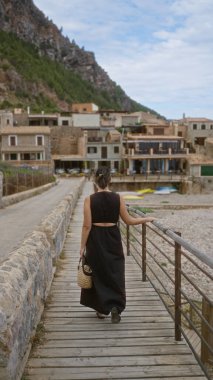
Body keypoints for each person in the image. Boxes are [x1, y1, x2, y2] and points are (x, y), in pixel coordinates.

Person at [80, 166, 156, 323]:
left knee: (99, 272)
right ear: (110, 180)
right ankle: (115, 307)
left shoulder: (89, 199)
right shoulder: (118, 198)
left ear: (95, 180)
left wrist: (82, 246)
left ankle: (101, 310)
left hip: (96, 238)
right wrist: (146, 219)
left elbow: (87, 226)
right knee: (115, 272)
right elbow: (128, 221)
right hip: (113, 237)